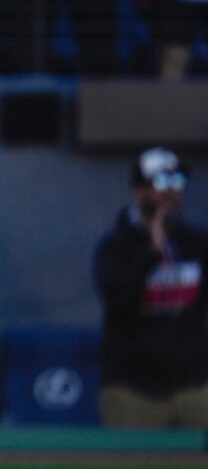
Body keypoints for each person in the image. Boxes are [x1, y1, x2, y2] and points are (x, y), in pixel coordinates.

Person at [93, 147, 208, 429]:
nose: (171, 192)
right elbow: (118, 300)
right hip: (134, 387)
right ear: (139, 190)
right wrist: (151, 253)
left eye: (177, 183)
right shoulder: (116, 246)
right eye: (161, 183)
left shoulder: (196, 243)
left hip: (194, 383)